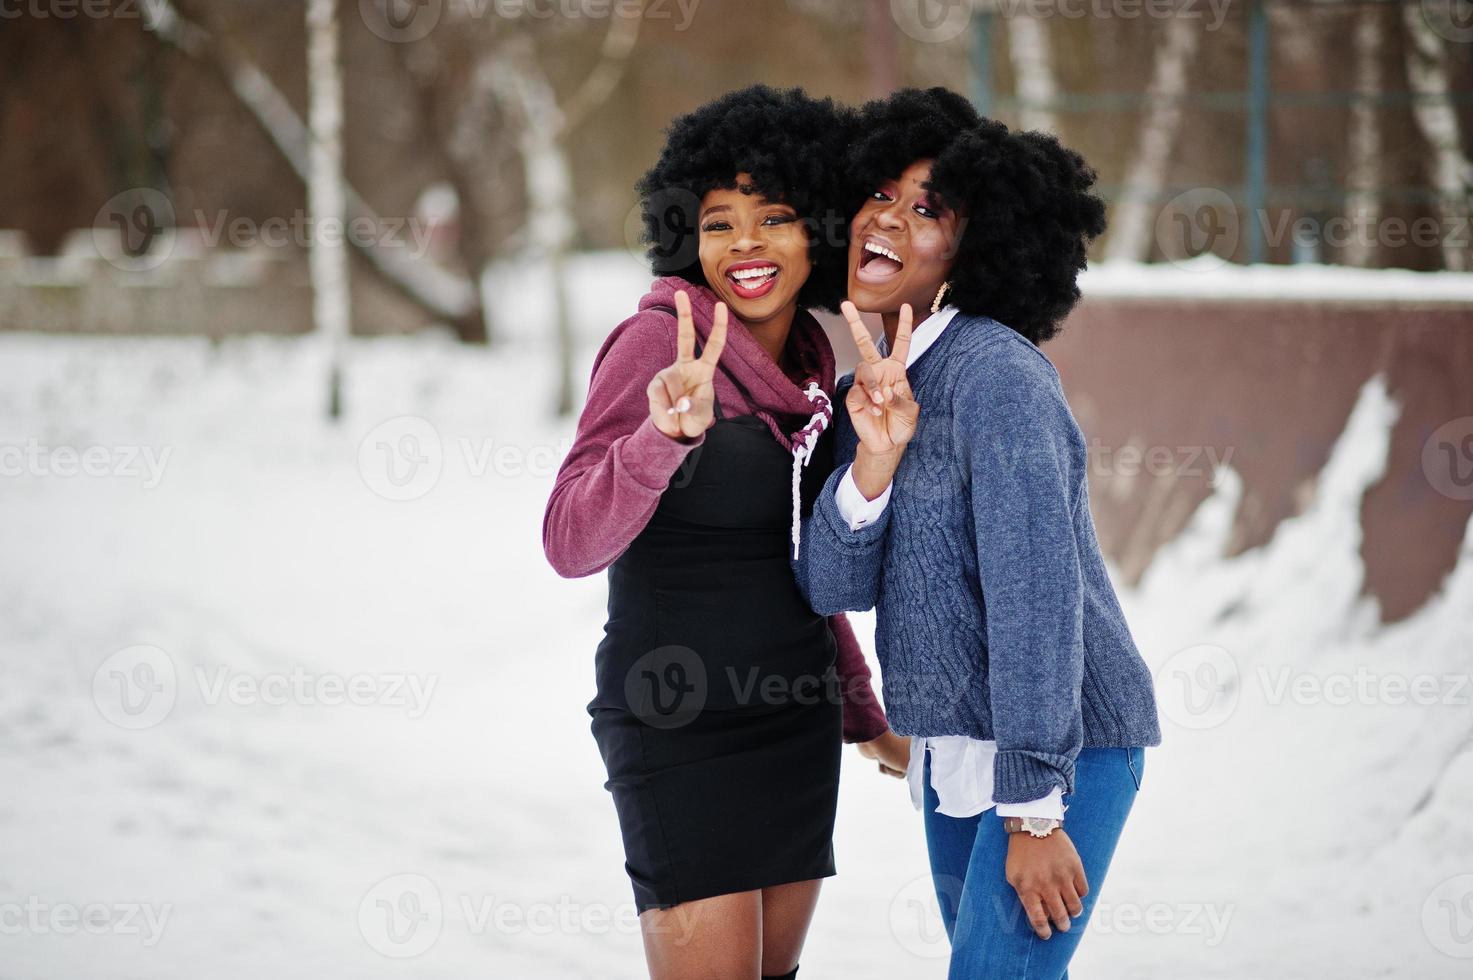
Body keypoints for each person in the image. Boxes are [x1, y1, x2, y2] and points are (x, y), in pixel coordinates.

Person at [794, 87, 1163, 979]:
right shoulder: (884, 379)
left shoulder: (996, 376)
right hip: (954, 749)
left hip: (1059, 748)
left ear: (974, 247)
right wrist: (873, 461)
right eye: (878, 195)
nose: (886, 221)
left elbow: (1035, 597)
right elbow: (830, 586)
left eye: (927, 210)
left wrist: (1036, 806)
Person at [543, 85, 907, 980]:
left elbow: (799, 560)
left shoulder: (816, 363)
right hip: (675, 720)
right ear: (687, 239)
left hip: (791, 721)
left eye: (774, 215)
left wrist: (860, 711)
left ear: (815, 233)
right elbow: (568, 540)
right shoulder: (657, 346)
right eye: (719, 222)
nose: (745, 242)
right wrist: (658, 440)